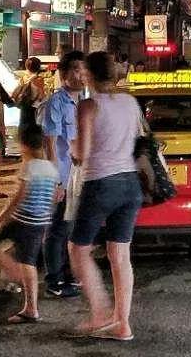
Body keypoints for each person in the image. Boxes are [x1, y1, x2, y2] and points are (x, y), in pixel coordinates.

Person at [68, 51, 144, 342]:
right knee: (120, 255)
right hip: (130, 185)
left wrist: (71, 147)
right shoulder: (130, 101)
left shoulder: (88, 105)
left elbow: (82, 153)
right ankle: (122, 323)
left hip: (101, 183)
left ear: (88, 73)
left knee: (78, 249)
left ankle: (99, 312)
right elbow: (136, 139)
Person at [0, 124, 58, 325]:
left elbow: (18, 197)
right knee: (28, 261)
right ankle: (30, 305)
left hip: (23, 220)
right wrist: (46, 222)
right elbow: (53, 199)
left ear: (23, 145)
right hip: (39, 222)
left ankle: (14, 274)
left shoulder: (29, 166)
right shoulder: (51, 168)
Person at [41, 49, 86, 298]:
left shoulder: (83, 100)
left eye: (83, 70)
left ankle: (68, 275)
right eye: (75, 70)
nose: (80, 75)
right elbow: (50, 144)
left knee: (70, 228)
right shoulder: (56, 102)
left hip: (78, 176)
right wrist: (56, 180)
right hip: (62, 176)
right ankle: (54, 280)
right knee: (58, 228)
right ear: (63, 74)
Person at [14, 57, 46, 132]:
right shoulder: (39, 80)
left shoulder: (22, 79)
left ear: (26, 66)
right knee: (34, 131)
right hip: (34, 109)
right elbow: (42, 97)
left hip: (24, 108)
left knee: (24, 131)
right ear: (38, 67)